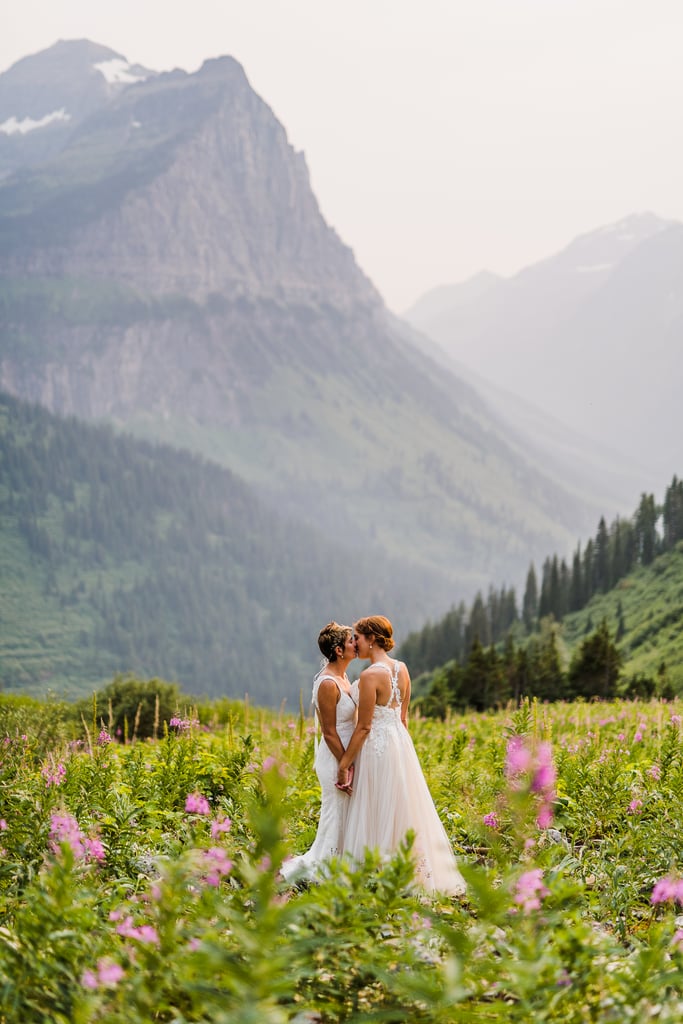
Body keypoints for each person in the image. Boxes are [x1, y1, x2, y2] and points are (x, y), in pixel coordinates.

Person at [337, 615, 465, 896]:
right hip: (399, 744)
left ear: (371, 639)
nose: (354, 643)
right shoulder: (402, 669)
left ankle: (377, 872)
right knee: (401, 806)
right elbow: (403, 719)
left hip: (376, 748)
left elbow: (364, 726)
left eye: (357, 637)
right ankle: (408, 870)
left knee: (376, 805)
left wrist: (344, 763)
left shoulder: (370, 676)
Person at [281, 622, 358, 882]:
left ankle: (347, 863)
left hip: (347, 753)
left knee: (348, 813)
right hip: (335, 756)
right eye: (350, 641)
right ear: (338, 650)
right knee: (336, 812)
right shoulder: (327, 684)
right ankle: (327, 869)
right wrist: (344, 764)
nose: (355, 643)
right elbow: (328, 731)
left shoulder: (344, 677)